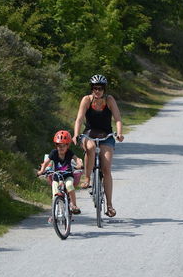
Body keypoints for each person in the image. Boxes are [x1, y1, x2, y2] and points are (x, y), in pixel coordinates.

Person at [73, 74, 124, 218]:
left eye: (100, 88)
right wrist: (76, 134)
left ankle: (109, 205)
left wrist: (119, 133)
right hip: (89, 133)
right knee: (90, 148)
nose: (97, 91)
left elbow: (118, 119)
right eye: (95, 88)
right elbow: (79, 119)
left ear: (104, 89)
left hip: (106, 135)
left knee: (106, 168)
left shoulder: (109, 100)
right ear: (91, 89)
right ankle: (87, 178)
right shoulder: (86, 100)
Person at [37, 130, 83, 218]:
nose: (61, 148)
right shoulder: (53, 153)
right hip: (57, 176)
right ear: (56, 145)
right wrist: (42, 170)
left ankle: (74, 205)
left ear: (68, 145)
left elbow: (76, 159)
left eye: (63, 145)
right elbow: (46, 162)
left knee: (69, 185)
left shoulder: (69, 153)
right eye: (58, 145)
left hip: (68, 175)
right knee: (55, 190)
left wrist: (79, 164)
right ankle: (55, 212)